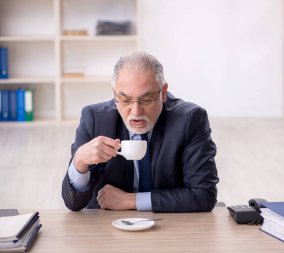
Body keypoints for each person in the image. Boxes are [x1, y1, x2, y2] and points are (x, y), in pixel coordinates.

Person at [62, 51, 219, 212]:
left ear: (163, 92)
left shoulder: (190, 119)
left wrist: (132, 200)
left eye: (146, 100)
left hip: (170, 225)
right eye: (125, 100)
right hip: (108, 227)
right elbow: (73, 203)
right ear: (114, 92)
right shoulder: (94, 119)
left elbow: (203, 196)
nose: (136, 111)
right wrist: (79, 162)